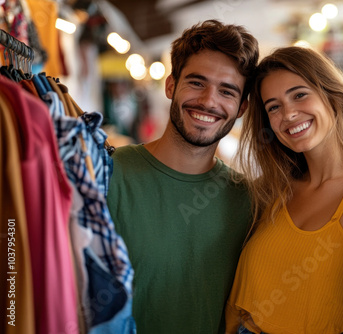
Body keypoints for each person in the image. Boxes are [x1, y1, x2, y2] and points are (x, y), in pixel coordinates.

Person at [106, 20, 259, 333]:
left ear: (242, 107)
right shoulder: (107, 175)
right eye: (197, 83)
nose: (208, 101)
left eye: (227, 91)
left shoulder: (249, 202)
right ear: (171, 85)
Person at [225, 46, 343, 334]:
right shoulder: (270, 191)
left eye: (299, 95)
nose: (288, 114)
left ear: (333, 96)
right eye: (273, 107)